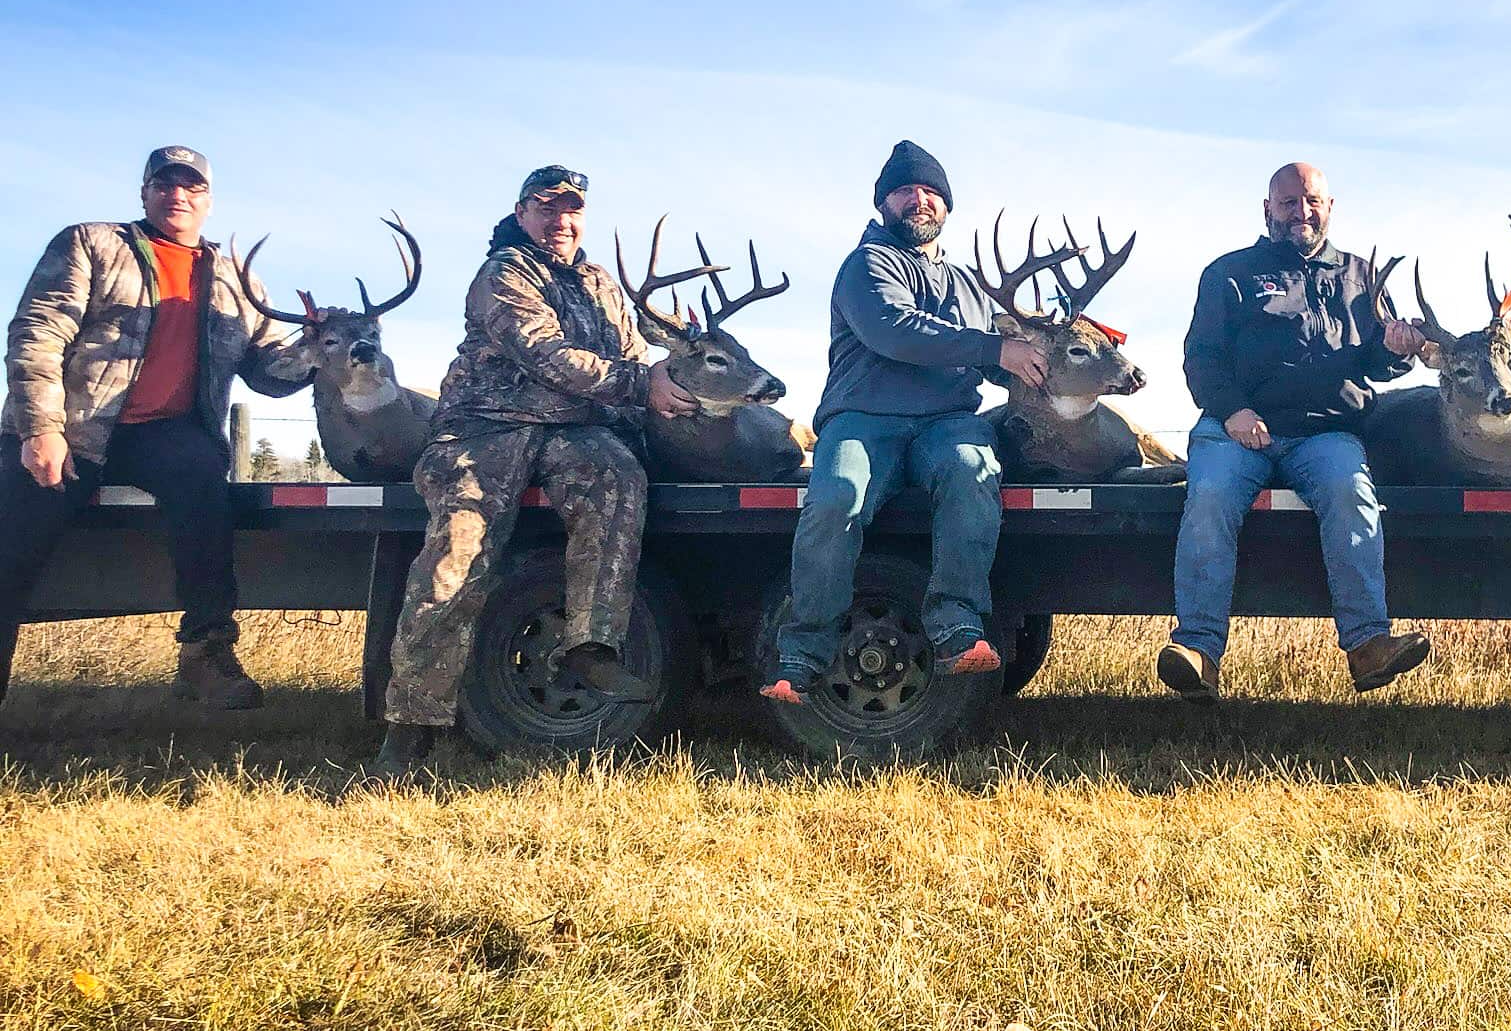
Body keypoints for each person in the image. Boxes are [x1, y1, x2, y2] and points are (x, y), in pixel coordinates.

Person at [373, 166, 695, 775]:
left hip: (574, 430)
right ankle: (412, 722)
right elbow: (545, 352)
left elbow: (628, 352)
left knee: (618, 480)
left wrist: (672, 378)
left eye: (572, 209)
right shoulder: (505, 272)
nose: (560, 220)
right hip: (487, 425)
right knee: (457, 557)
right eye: (546, 208)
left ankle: (591, 646)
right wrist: (639, 384)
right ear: (522, 214)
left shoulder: (599, 281)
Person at [0, 146, 312, 709]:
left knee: (206, 502)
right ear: (145, 192)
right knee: (10, 548)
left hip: (166, 433)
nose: (179, 196)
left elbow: (268, 371)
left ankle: (205, 656)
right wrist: (38, 428)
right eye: (166, 184)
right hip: (75, 428)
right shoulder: (93, 244)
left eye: (192, 188)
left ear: (208, 202)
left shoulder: (233, 279)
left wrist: (321, 348)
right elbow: (37, 333)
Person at [761, 140, 1047, 703]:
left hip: (946, 422)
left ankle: (957, 628)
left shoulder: (968, 284)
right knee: (837, 497)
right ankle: (800, 655)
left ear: (946, 206)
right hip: (864, 420)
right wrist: (995, 347)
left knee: (973, 471)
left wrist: (1045, 353)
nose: (920, 200)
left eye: (931, 192)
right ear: (883, 204)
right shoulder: (868, 265)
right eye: (906, 191)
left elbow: (995, 364)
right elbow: (895, 331)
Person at [1155, 161, 1432, 700]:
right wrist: (1232, 411)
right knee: (1208, 496)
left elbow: (1378, 362)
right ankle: (1199, 651)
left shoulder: (1361, 277)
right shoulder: (1228, 274)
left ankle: (1368, 644)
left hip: (1326, 434)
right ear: (1267, 209)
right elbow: (1202, 358)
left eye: (1312, 202)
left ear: (1329, 207)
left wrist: (1397, 350)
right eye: (1288, 203)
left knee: (1352, 494)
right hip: (1236, 430)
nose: (1301, 212)